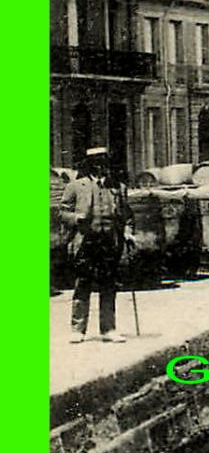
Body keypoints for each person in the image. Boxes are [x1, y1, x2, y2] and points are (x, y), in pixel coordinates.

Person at [59, 147, 132, 343]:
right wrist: (76, 217)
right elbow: (62, 213)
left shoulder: (118, 188)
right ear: (89, 164)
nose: (101, 167)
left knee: (109, 285)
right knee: (83, 284)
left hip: (109, 242)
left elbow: (127, 215)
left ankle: (108, 329)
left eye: (104, 162)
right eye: (96, 162)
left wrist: (128, 232)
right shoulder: (75, 186)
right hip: (86, 242)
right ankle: (78, 330)